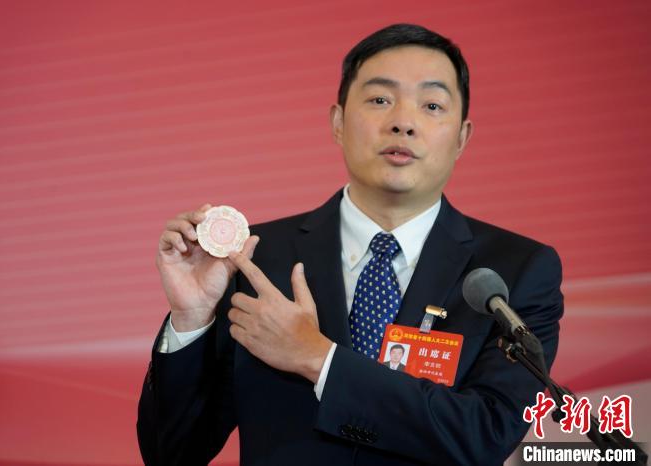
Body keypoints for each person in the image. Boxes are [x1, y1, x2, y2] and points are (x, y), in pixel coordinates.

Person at [137, 23, 564, 466]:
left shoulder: (513, 273)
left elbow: (485, 435)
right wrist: (190, 320)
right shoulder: (254, 259)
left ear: (461, 137)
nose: (403, 122)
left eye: (432, 105)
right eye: (380, 100)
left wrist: (318, 358)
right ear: (338, 122)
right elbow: (172, 453)